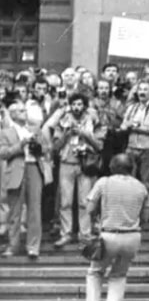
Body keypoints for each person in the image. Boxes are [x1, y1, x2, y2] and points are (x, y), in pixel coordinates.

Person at [79, 153, 149, 301]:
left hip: (108, 235)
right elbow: (146, 217)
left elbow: (89, 208)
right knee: (119, 274)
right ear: (131, 168)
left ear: (112, 167)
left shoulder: (104, 182)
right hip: (132, 237)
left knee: (95, 272)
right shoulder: (141, 187)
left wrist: (98, 217)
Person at [45, 93, 102, 248]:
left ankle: (85, 234)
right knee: (65, 202)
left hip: (85, 165)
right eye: (74, 104)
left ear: (84, 105)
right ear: (70, 105)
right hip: (66, 163)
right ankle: (66, 234)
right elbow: (55, 147)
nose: (77, 107)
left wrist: (85, 134)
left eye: (80, 104)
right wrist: (67, 134)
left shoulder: (93, 120)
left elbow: (100, 146)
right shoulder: (62, 121)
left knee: (85, 201)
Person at [0, 100, 50, 259]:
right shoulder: (5, 132)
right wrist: (21, 144)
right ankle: (13, 245)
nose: (25, 113)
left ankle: (33, 247)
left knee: (35, 209)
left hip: (34, 167)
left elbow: (47, 149)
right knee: (15, 212)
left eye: (25, 110)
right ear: (13, 114)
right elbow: (3, 153)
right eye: (21, 111)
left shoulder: (35, 129)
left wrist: (38, 147)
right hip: (16, 171)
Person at [119, 81, 149, 205]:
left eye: (145, 90)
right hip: (131, 147)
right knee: (128, 179)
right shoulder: (131, 108)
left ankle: (145, 210)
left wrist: (143, 129)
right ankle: (129, 208)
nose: (142, 92)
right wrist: (126, 126)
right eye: (140, 90)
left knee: (147, 182)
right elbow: (123, 125)